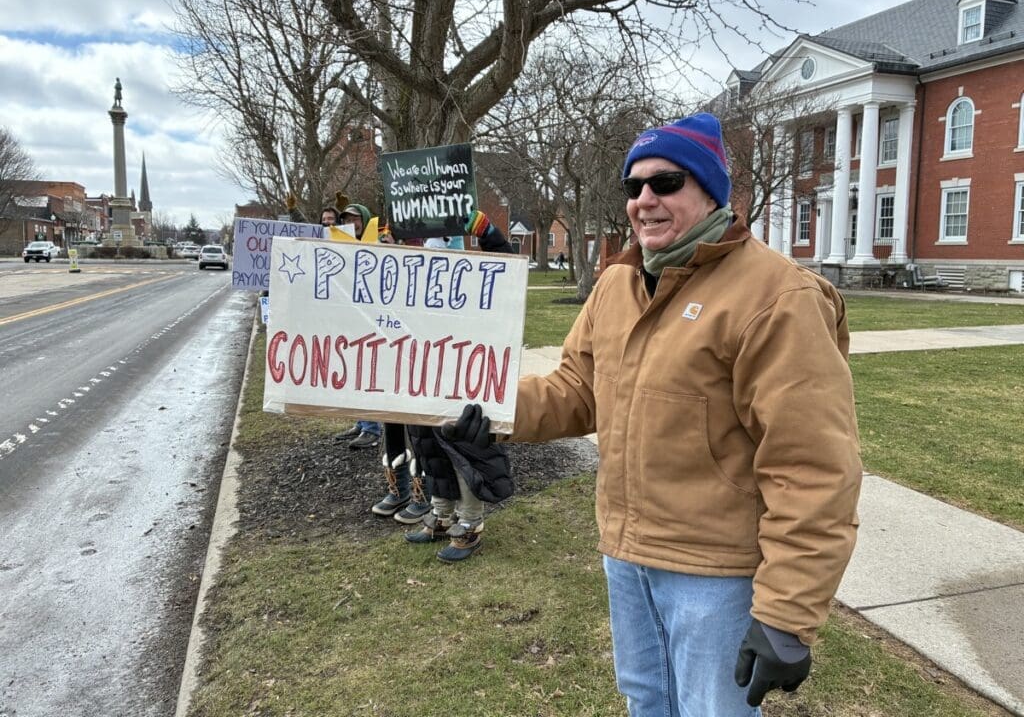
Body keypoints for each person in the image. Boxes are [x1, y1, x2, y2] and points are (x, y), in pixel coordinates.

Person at [443, 113, 862, 713]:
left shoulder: (778, 298)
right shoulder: (618, 284)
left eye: (666, 183)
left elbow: (815, 468)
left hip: (715, 573)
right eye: (633, 187)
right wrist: (492, 409)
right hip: (627, 554)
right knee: (647, 701)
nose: (644, 200)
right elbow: (577, 390)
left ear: (710, 191)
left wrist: (788, 614)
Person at [403, 209, 517, 562]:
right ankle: (441, 515)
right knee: (429, 453)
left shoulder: (472, 276)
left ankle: (470, 524)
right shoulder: (415, 274)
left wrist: (488, 234)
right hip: (424, 374)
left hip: (463, 375)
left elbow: (504, 273)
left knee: (462, 454)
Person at [327, 194, 382, 450]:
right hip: (350, 316)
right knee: (354, 373)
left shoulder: (379, 241)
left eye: (355, 218)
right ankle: (361, 423)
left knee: (367, 371)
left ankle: (373, 428)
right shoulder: (341, 243)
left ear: (365, 219)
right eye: (347, 218)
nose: (352, 222)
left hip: (373, 318)